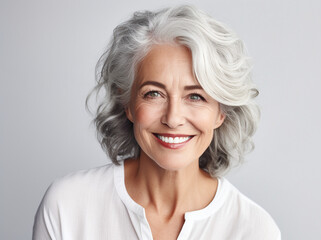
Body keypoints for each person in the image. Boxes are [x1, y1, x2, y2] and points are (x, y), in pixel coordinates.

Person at [33, 5, 281, 240]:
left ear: (221, 113)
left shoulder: (254, 230)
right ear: (127, 103)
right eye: (154, 94)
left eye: (195, 96)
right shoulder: (66, 206)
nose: (173, 119)